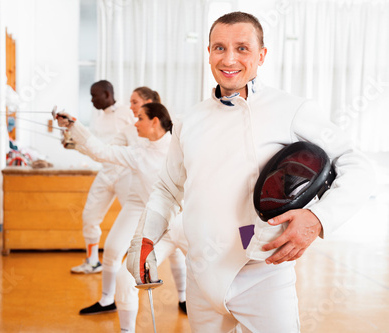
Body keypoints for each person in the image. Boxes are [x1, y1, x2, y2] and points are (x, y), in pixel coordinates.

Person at [127, 11, 375, 332]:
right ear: (209, 53)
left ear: (262, 55)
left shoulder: (291, 109)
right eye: (219, 48)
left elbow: (356, 165)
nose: (229, 58)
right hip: (201, 274)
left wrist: (317, 219)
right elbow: (167, 188)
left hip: (262, 271)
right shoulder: (190, 120)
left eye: (242, 48)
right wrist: (143, 239)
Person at [57, 102, 186, 317]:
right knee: (121, 264)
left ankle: (187, 300)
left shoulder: (179, 148)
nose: (135, 122)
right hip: (149, 217)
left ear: (154, 121)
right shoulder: (139, 152)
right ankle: (108, 301)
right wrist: (74, 127)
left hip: (180, 222)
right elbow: (102, 152)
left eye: (140, 118)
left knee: (202, 269)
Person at [70, 80, 135, 274]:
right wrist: (75, 146)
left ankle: (138, 264)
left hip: (125, 173)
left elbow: (138, 141)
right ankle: (92, 261)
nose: (91, 100)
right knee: (89, 217)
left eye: (94, 96)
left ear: (107, 94)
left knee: (135, 218)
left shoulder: (126, 113)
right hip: (106, 173)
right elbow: (96, 150)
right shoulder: (98, 120)